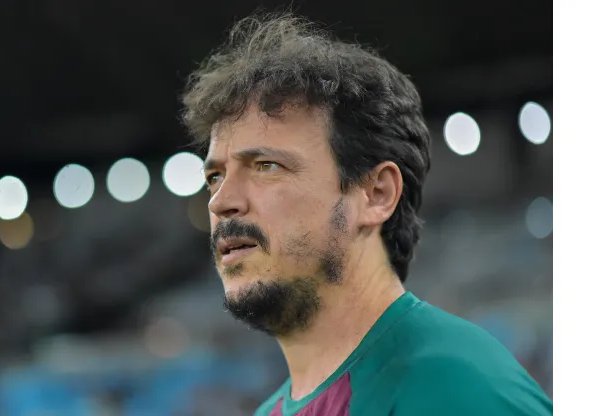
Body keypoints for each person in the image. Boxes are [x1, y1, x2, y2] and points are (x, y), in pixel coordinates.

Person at [180, 12, 553, 416]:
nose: (220, 201)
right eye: (215, 176)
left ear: (376, 195)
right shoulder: (270, 411)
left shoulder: (451, 387)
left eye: (266, 166)